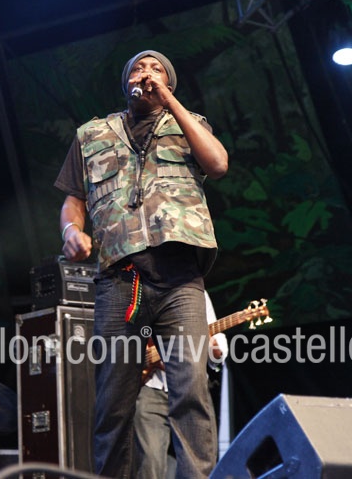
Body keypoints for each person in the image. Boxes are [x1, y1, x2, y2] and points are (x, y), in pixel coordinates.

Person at [55, 50, 228, 478]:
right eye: (138, 67)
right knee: (112, 405)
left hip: (180, 279)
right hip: (120, 281)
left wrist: (169, 101)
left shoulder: (190, 124)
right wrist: (71, 232)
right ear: (125, 81)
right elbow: (74, 200)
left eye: (157, 69)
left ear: (169, 82)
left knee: (191, 392)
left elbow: (218, 164)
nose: (146, 73)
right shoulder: (92, 134)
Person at [134, 292, 228, 479]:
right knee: (149, 464)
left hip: (192, 388)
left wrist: (215, 349)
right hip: (151, 386)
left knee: (198, 462)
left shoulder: (198, 292)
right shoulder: (142, 288)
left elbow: (216, 352)